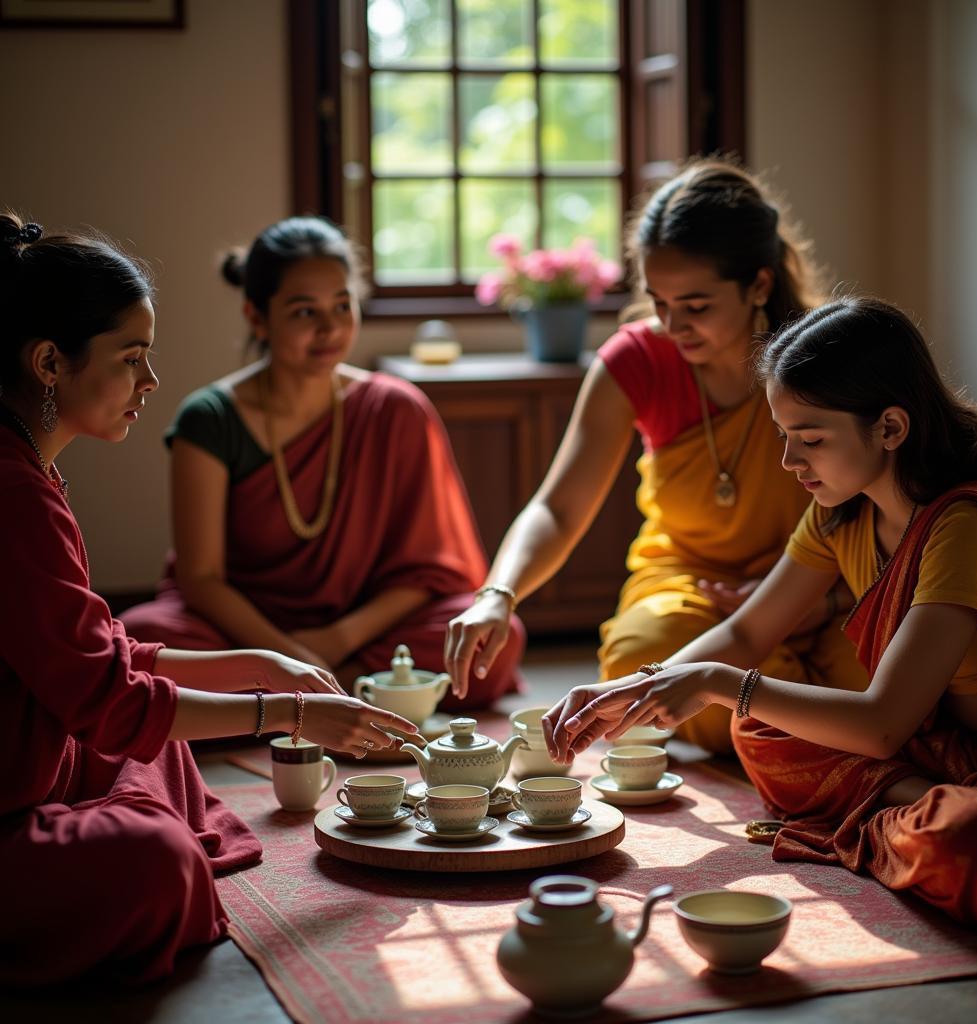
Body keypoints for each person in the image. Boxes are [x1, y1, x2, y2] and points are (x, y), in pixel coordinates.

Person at [0, 214, 422, 985]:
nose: (151, 383)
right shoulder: (12, 492)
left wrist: (261, 663)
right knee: (158, 862)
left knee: (158, 737)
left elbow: (99, 658)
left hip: (39, 761)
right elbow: (112, 693)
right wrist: (291, 713)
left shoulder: (29, 470)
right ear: (50, 362)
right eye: (132, 359)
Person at [544, 297, 977, 926]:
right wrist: (632, 691)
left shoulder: (963, 527)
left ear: (890, 428)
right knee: (757, 727)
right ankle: (909, 801)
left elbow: (881, 725)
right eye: (785, 436)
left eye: (811, 439)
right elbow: (747, 630)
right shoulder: (841, 512)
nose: (789, 462)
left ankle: (901, 809)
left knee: (974, 841)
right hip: (930, 751)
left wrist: (719, 683)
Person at [445, 159, 865, 753]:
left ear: (760, 285)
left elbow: (875, 508)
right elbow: (559, 508)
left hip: (824, 589)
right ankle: (799, 726)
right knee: (640, 657)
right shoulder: (637, 359)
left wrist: (823, 600)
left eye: (695, 306)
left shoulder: (819, 355)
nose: (672, 325)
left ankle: (784, 722)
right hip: (690, 591)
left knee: (889, 670)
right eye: (659, 302)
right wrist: (498, 593)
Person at [120, 216, 523, 707]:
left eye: (342, 305)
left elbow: (429, 574)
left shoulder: (395, 408)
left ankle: (292, 701)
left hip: (363, 631)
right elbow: (201, 579)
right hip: (242, 633)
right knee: (140, 640)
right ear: (256, 316)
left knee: (496, 640)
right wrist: (284, 654)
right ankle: (344, 696)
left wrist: (335, 643)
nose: (331, 328)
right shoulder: (210, 418)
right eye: (304, 312)